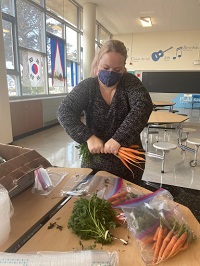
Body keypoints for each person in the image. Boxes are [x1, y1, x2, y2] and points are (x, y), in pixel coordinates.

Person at [57, 40, 153, 185]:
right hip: (95, 161)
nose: (110, 73)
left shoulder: (129, 82)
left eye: (117, 70)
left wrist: (118, 139)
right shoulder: (88, 87)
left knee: (126, 202)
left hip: (128, 163)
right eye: (105, 67)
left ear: (124, 69)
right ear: (97, 65)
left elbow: (143, 106)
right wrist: (88, 137)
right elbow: (65, 111)